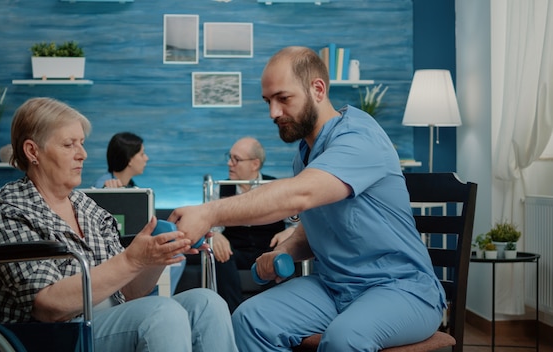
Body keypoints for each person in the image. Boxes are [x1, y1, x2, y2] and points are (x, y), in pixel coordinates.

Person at [168, 46, 445, 351]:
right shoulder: (305, 157)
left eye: (283, 99)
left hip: (401, 290)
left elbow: (300, 194)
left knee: (344, 338)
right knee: (249, 319)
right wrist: (285, 249)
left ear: (317, 89)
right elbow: (319, 228)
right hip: (335, 288)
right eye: (268, 101)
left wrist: (209, 213)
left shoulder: (359, 137)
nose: (273, 112)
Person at [0, 97, 238, 352]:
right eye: (69, 144)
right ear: (33, 151)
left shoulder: (89, 208)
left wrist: (157, 256)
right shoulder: (8, 213)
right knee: (161, 313)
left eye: (82, 143)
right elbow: (49, 306)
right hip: (48, 335)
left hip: (101, 323)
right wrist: (131, 260)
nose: (83, 154)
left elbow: (130, 294)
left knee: (207, 303)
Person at [206, 136, 294, 313]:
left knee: (279, 256)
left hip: (267, 248)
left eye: (236, 159)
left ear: (254, 164)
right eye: (229, 157)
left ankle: (268, 313)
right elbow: (207, 221)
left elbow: (296, 222)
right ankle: (234, 314)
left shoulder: (275, 187)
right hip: (235, 251)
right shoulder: (220, 189)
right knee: (219, 254)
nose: (230, 163)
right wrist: (215, 234)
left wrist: (290, 231)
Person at [94, 131, 186, 296]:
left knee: (178, 255)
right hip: (119, 254)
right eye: (142, 154)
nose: (146, 158)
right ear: (129, 159)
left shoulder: (134, 189)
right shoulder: (103, 187)